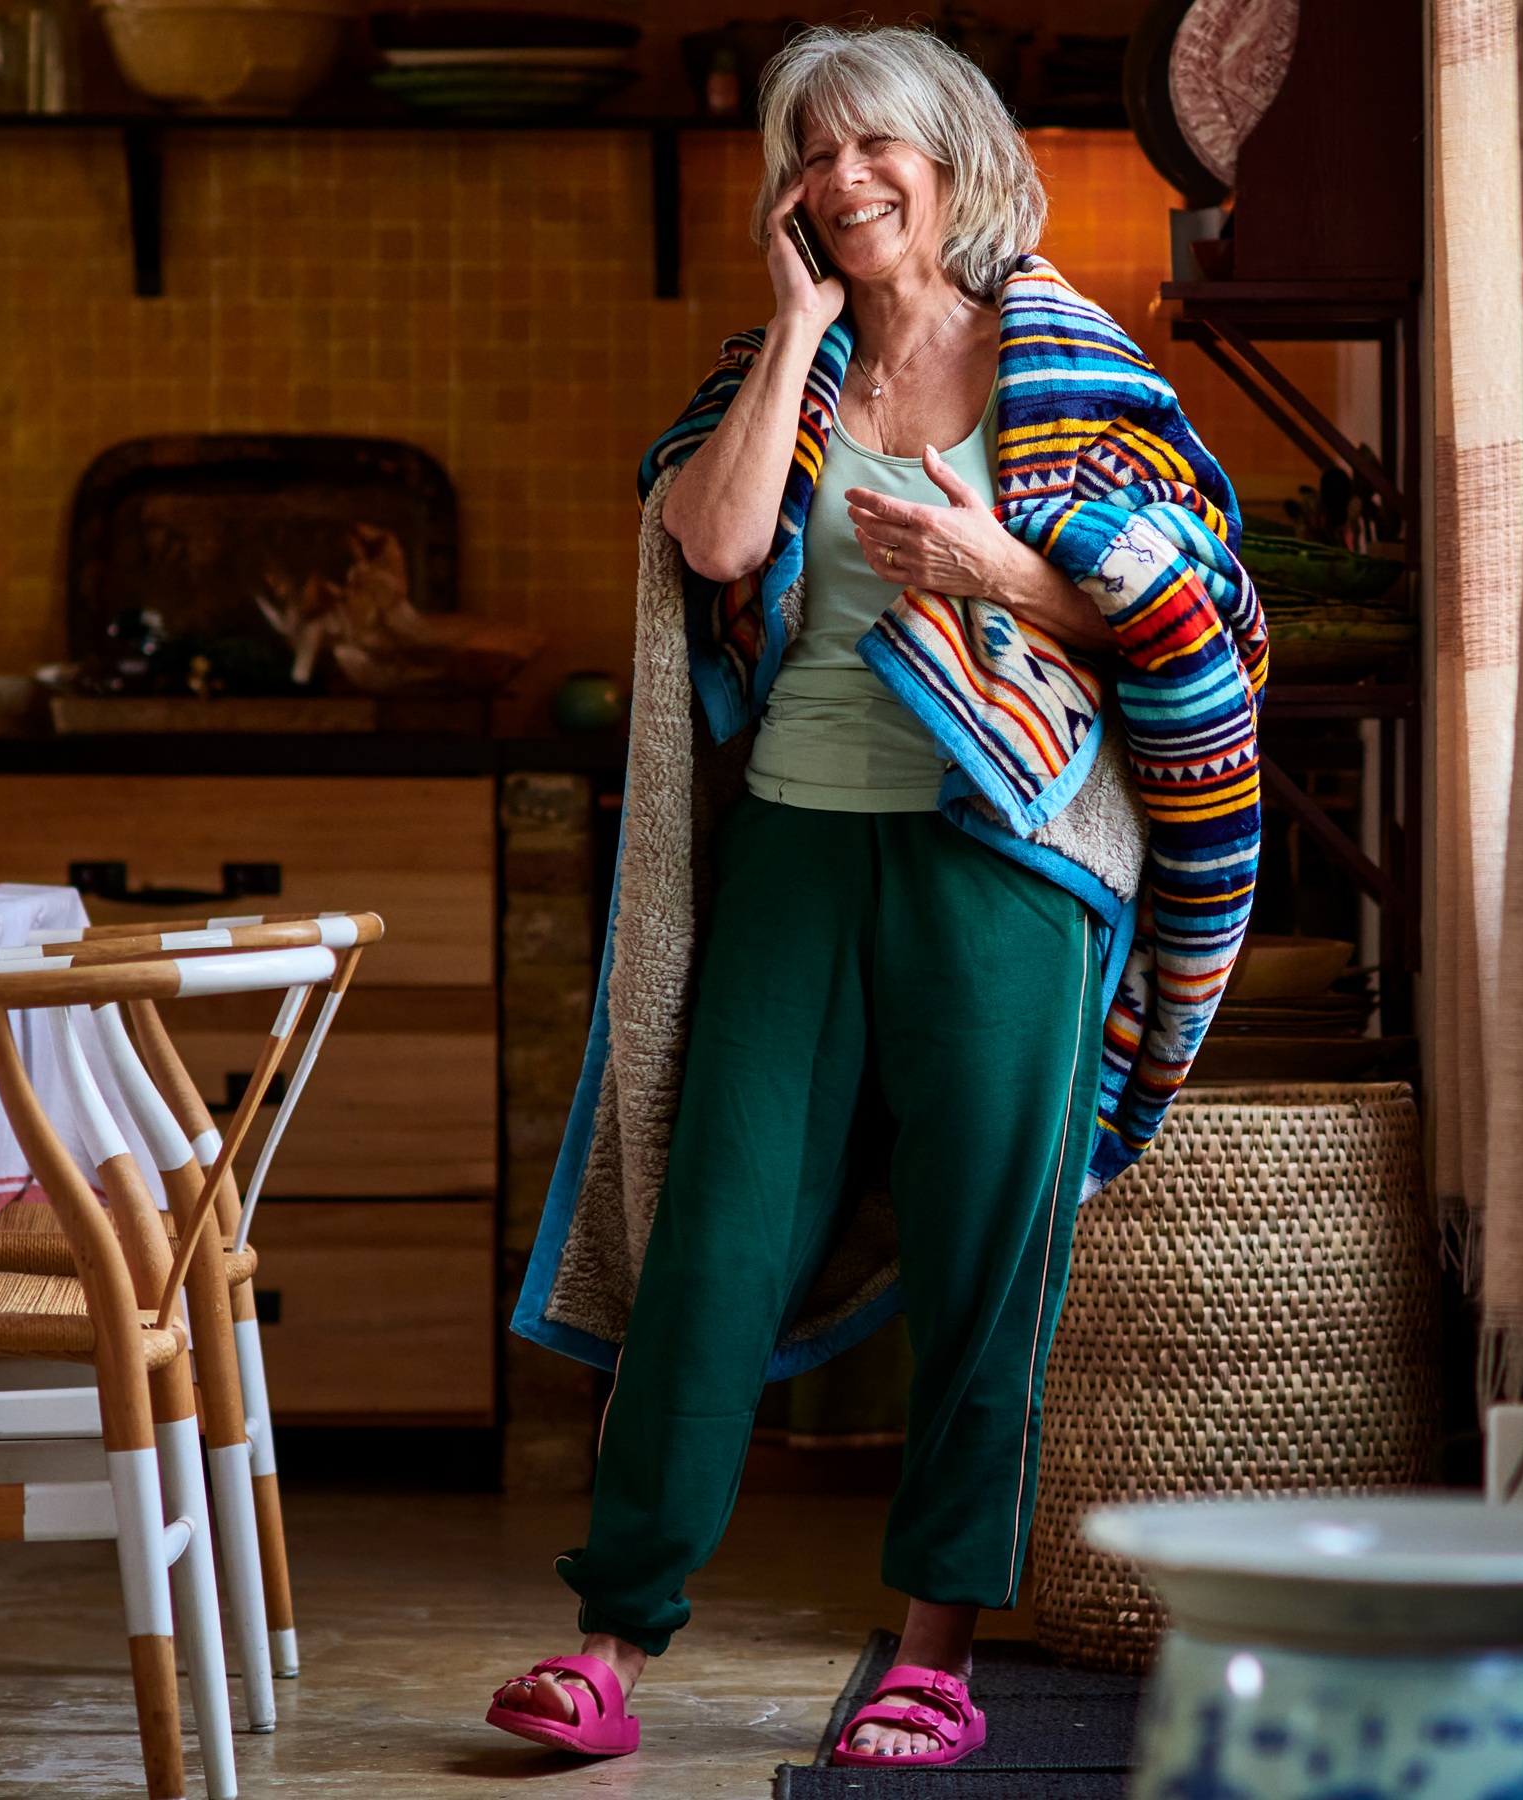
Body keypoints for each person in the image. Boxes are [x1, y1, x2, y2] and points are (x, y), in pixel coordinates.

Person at [491, 24, 1266, 1769]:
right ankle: (613, 1634)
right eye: (812, 154)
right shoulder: (792, 374)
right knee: (715, 1234)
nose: (844, 182)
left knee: (991, 1250)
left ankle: (937, 1648)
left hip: (1009, 863)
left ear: (951, 157)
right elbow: (713, 545)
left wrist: (1013, 573)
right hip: (795, 844)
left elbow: (1199, 614)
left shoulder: (1072, 366)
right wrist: (793, 334)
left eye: (874, 148)